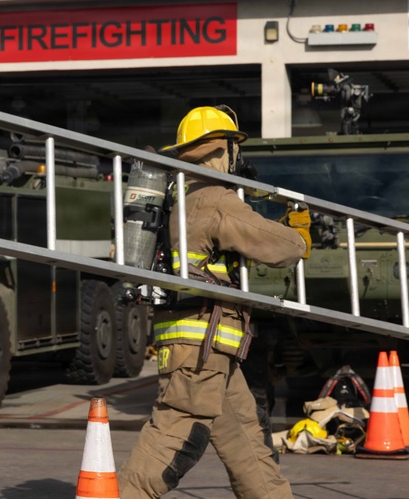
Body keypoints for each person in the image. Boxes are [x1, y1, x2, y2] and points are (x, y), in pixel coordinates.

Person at [117, 106, 311, 499]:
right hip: (200, 348)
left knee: (247, 440)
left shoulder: (180, 197)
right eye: (234, 149)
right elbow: (280, 247)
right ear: (224, 149)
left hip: (208, 348)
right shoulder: (214, 199)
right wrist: (300, 231)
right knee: (176, 436)